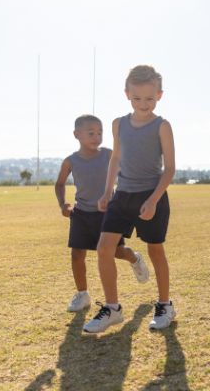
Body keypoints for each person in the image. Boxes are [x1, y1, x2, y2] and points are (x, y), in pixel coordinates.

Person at [83, 65, 177, 333]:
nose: (143, 104)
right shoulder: (118, 124)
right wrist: (107, 191)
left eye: (149, 98)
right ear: (127, 94)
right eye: (137, 98)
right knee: (104, 248)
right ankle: (112, 308)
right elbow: (115, 158)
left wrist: (154, 200)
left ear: (159, 95)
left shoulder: (162, 126)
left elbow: (169, 169)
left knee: (156, 250)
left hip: (151, 195)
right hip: (122, 195)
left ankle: (164, 305)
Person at [55, 114, 149, 313]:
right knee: (76, 255)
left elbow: (128, 171)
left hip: (108, 213)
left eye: (100, 133)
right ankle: (82, 295)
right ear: (76, 134)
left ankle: (135, 259)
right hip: (81, 214)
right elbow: (60, 184)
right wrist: (63, 204)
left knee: (116, 252)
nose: (96, 137)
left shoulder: (109, 154)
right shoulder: (70, 161)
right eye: (91, 133)